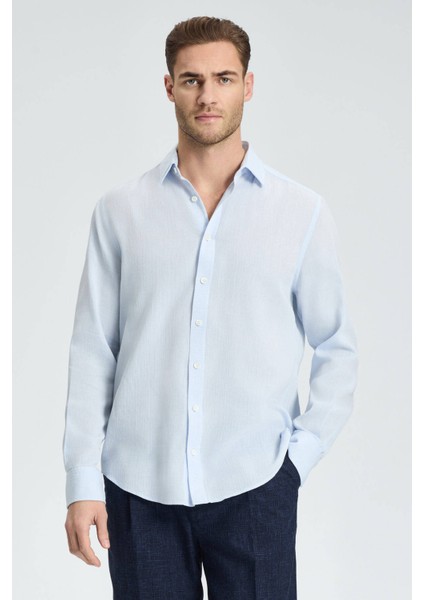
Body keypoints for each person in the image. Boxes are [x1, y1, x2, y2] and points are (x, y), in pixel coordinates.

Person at [63, 15, 358, 600]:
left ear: (248, 85)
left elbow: (337, 347)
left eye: (223, 78)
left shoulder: (300, 212)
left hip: (256, 487)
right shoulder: (121, 211)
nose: (207, 95)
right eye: (191, 79)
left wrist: (294, 464)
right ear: (169, 87)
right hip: (137, 490)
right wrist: (82, 480)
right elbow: (94, 349)